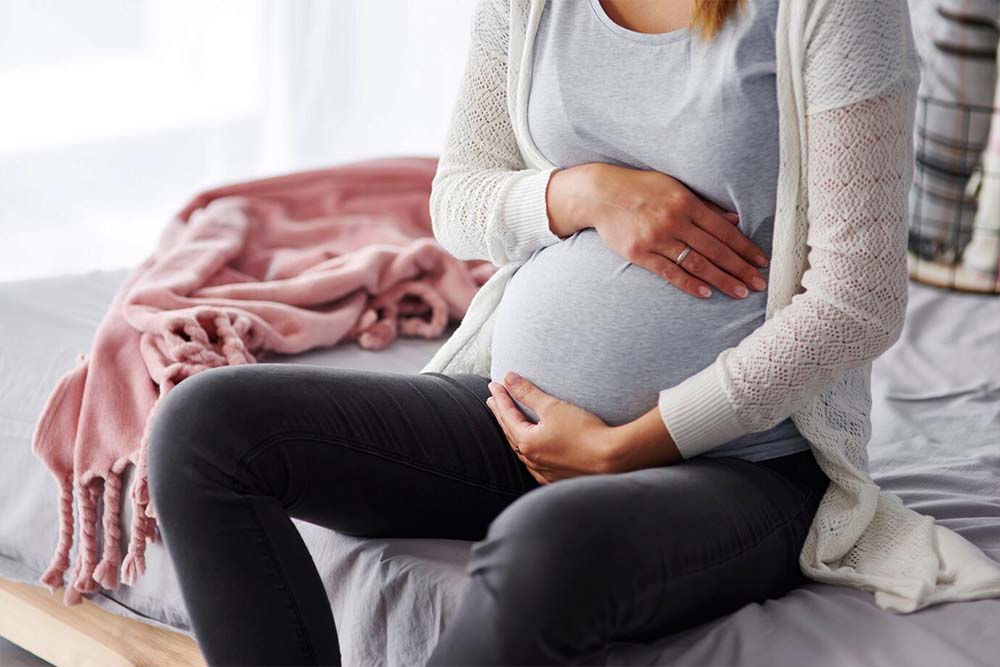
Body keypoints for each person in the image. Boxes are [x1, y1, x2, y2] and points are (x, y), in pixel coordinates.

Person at [146, 0, 924, 664]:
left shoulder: (834, 10)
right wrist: (581, 192)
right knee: (204, 427)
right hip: (516, 422)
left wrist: (631, 444)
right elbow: (457, 199)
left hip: (743, 464)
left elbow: (857, 300)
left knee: (544, 545)